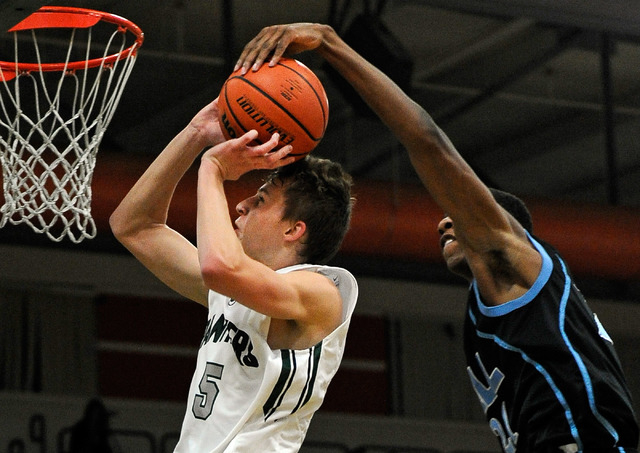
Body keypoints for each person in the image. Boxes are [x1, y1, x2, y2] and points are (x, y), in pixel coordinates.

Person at [234, 23, 639, 452]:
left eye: (458, 216)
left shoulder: (519, 260)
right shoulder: (496, 309)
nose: (444, 223)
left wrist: (332, 45)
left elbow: (426, 140)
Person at [109, 97, 358, 452]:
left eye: (260, 200)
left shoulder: (320, 292)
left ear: (293, 230)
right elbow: (133, 226)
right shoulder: (232, 292)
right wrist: (195, 134)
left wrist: (212, 169)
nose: (240, 205)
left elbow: (218, 267)